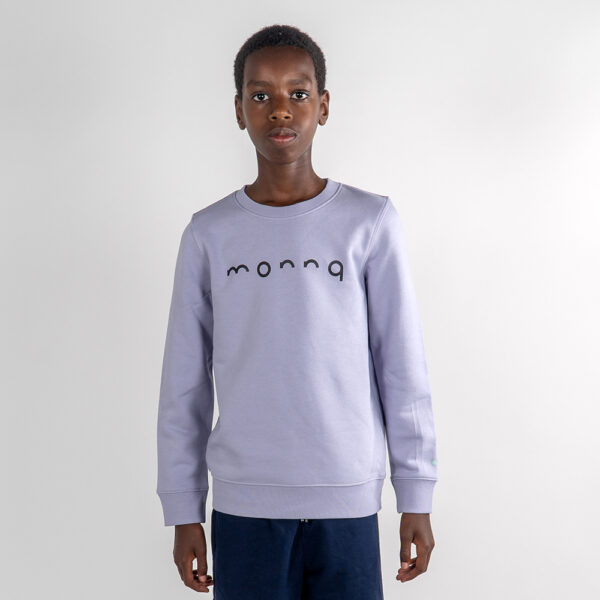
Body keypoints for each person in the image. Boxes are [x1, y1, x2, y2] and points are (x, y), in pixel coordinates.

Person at [156, 23, 438, 599]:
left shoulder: (369, 222)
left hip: (347, 499)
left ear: (323, 106)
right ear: (239, 110)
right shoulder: (210, 233)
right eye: (261, 94)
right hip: (244, 504)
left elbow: (401, 365)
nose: (280, 109)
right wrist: (184, 508)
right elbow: (184, 382)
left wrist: (416, 492)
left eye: (298, 93)